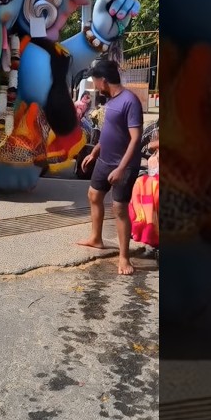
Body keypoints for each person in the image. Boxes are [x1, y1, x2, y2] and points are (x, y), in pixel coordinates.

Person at [76, 59, 144, 275]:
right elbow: (110, 133)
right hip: (104, 161)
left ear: (103, 81)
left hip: (123, 165)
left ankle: (124, 258)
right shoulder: (110, 101)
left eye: (95, 82)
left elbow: (135, 139)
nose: (95, 86)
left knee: (119, 209)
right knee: (93, 195)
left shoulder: (129, 101)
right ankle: (96, 238)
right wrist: (95, 152)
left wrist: (121, 169)